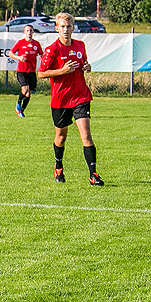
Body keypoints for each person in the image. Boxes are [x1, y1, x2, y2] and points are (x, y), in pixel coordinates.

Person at [37, 12, 103, 186]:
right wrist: (62, 71)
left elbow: (84, 65)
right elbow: (41, 73)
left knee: (86, 135)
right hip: (60, 99)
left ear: (73, 28)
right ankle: (58, 166)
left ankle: (93, 175)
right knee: (61, 137)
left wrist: (87, 67)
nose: (66, 30)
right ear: (56, 28)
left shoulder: (80, 45)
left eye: (69, 26)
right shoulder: (52, 50)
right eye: (63, 27)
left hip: (81, 96)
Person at [8, 25, 43, 117]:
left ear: (33, 32)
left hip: (31, 71)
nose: (29, 32)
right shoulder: (20, 43)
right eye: (27, 30)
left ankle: (21, 111)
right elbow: (10, 53)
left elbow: (41, 54)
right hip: (21, 70)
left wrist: (41, 57)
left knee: (28, 93)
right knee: (25, 88)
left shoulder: (36, 44)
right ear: (24, 32)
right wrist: (19, 57)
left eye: (31, 30)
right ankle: (18, 103)